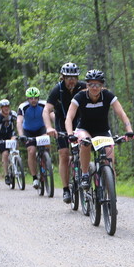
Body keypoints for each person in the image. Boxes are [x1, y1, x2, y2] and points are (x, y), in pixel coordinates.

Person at [64, 69, 134, 190]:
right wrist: (70, 134)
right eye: (91, 84)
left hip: (102, 131)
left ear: (102, 86)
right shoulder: (80, 96)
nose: (95, 87)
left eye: (98, 85)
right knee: (85, 142)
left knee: (109, 161)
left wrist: (129, 131)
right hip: (84, 129)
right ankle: (85, 174)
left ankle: (110, 193)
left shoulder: (107, 95)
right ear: (87, 85)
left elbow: (122, 114)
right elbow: (69, 117)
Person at [44, 62, 86, 203]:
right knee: (64, 154)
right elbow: (46, 110)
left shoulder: (83, 87)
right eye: (68, 77)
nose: (71, 80)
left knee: (84, 148)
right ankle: (66, 189)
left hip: (79, 121)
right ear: (63, 78)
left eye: (74, 77)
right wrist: (49, 127)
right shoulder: (58, 90)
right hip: (62, 122)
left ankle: (85, 175)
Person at [17, 87, 47, 190]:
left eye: (35, 98)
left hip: (41, 129)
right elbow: (19, 121)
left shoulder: (44, 104)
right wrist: (21, 134)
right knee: (31, 151)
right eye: (31, 98)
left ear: (38, 98)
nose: (33, 100)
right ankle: (34, 177)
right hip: (28, 131)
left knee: (47, 141)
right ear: (27, 99)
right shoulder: (23, 107)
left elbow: (52, 115)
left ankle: (46, 160)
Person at [0, 99, 18, 185]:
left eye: (7, 106)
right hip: (1, 137)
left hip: (11, 134)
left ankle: (17, 162)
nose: (6, 108)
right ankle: (6, 174)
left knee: (15, 146)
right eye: (4, 107)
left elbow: (19, 122)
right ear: (1, 108)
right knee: (5, 154)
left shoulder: (13, 114)